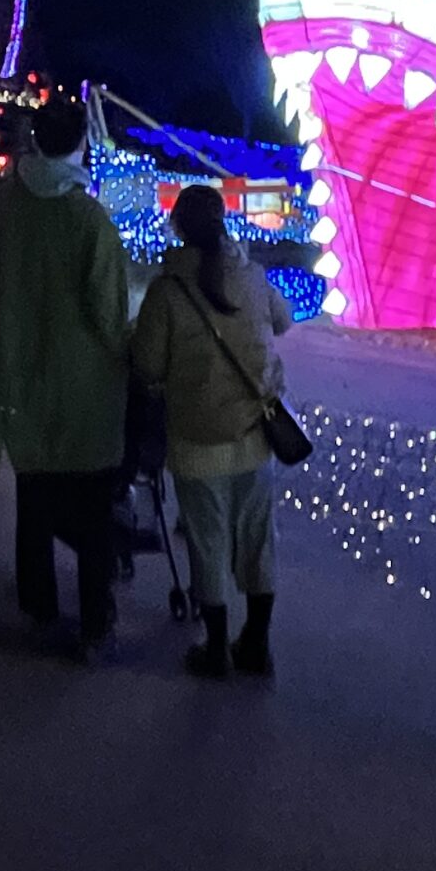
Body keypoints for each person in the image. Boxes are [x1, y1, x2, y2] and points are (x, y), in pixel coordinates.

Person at [0, 89, 131, 659]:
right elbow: (107, 311)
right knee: (93, 510)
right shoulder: (86, 217)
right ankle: (94, 624)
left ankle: (38, 605)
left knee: (34, 495)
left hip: (20, 367)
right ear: (81, 146)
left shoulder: (3, 206)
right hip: (83, 383)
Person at [130, 183, 292, 677]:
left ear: (178, 227)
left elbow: (148, 364)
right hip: (254, 434)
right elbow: (282, 323)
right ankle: (256, 644)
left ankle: (216, 647)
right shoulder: (253, 276)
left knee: (208, 539)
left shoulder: (167, 290)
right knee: (257, 539)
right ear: (223, 224)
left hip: (196, 439)